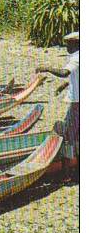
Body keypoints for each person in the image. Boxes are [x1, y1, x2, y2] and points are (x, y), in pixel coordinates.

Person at [37, 31, 79, 166]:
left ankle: (70, 166)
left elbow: (64, 72)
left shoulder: (76, 58)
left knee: (70, 133)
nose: (66, 47)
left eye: (68, 44)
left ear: (75, 44)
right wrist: (65, 85)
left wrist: (47, 68)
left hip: (77, 102)